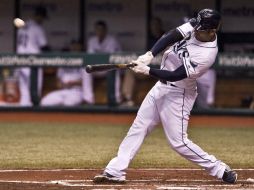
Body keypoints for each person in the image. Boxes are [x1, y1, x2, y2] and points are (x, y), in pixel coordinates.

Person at [93, 9, 237, 184]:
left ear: (211, 31)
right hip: (160, 87)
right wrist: (150, 55)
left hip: (179, 94)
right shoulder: (196, 25)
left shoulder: (207, 54)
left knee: (179, 142)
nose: (195, 29)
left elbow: (176, 74)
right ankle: (115, 171)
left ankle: (219, 168)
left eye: (199, 28)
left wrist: (147, 70)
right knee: (138, 127)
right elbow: (172, 35)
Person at [121, 17, 165, 107]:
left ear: (160, 26)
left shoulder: (166, 37)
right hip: (150, 68)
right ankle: (128, 99)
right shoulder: (149, 38)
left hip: (163, 69)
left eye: (156, 25)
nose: (154, 27)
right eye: (153, 25)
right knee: (130, 70)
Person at [15, 5, 49, 106]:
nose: (42, 20)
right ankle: (35, 113)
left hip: (20, 61)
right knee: (35, 91)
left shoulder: (23, 26)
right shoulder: (37, 28)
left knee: (24, 93)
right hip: (33, 62)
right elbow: (44, 47)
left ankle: (23, 115)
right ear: (39, 16)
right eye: (42, 17)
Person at [82, 20, 122, 104]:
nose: (99, 31)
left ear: (105, 30)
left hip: (109, 68)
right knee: (85, 69)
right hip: (97, 68)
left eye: (101, 29)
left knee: (115, 69)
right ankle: (88, 98)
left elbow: (111, 59)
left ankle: (116, 98)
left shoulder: (112, 40)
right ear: (95, 30)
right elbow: (90, 58)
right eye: (97, 29)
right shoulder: (92, 41)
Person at [40, 40, 83, 106]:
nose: (74, 48)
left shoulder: (84, 61)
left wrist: (73, 83)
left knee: (69, 104)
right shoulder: (64, 62)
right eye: (73, 46)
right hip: (63, 91)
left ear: (80, 47)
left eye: (76, 46)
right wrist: (62, 84)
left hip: (77, 91)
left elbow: (86, 82)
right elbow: (58, 83)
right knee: (44, 102)